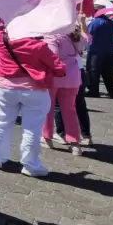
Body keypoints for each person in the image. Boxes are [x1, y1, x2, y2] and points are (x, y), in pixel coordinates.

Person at [0, 6, 66, 177]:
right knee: (32, 129)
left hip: (5, 88)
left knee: (2, 123)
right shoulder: (39, 46)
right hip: (34, 92)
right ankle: (30, 165)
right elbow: (60, 69)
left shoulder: (2, 40)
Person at [43, 21, 88, 155]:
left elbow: (53, 58)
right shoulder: (76, 35)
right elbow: (87, 38)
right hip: (73, 76)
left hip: (55, 76)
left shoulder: (53, 36)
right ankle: (75, 143)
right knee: (70, 110)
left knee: (47, 108)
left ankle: (47, 138)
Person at [86, 11, 113, 98]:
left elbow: (88, 34)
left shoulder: (95, 22)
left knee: (93, 71)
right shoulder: (112, 23)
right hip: (109, 50)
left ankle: (94, 91)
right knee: (110, 73)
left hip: (96, 50)